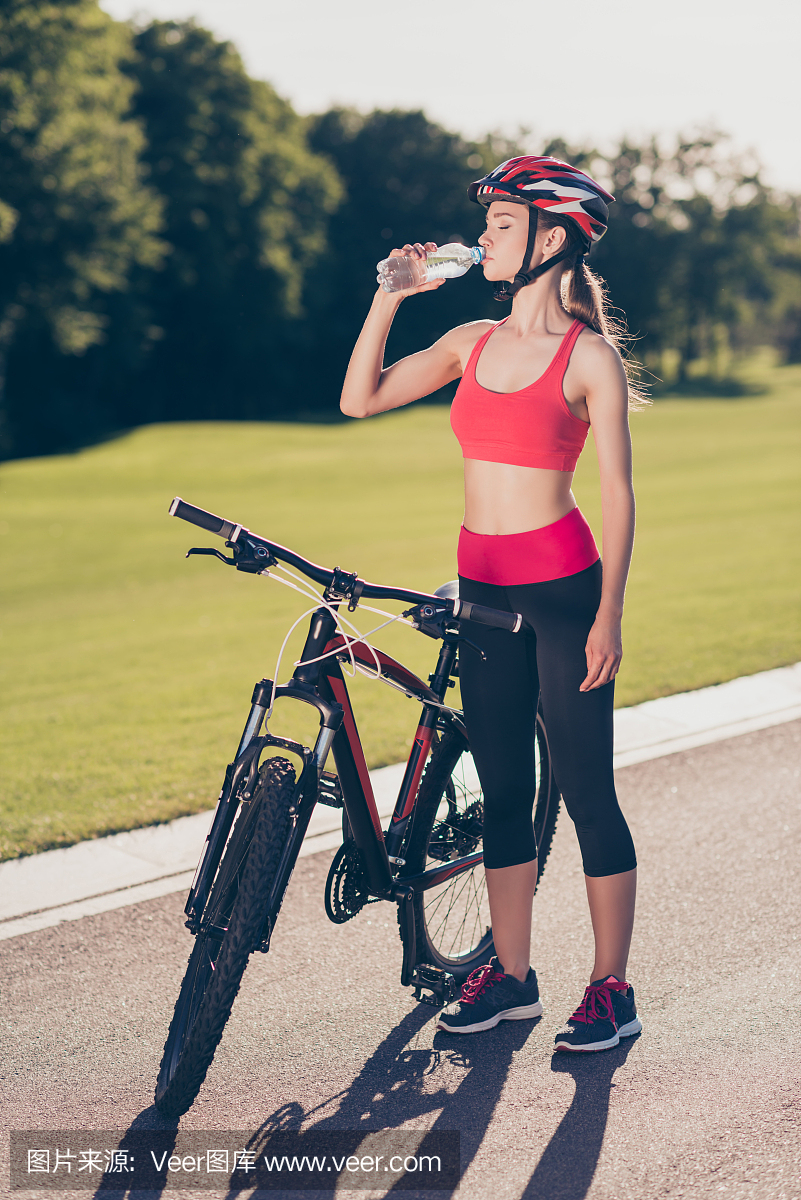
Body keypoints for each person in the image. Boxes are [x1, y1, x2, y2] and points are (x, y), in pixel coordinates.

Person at [340, 156, 643, 1053]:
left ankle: (610, 987)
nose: (486, 238)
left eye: (504, 224)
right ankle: (509, 976)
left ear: (551, 239)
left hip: (561, 593)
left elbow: (618, 493)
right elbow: (360, 400)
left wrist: (608, 616)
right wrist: (391, 295)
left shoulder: (586, 357)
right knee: (506, 788)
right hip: (482, 591)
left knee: (585, 789)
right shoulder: (470, 339)